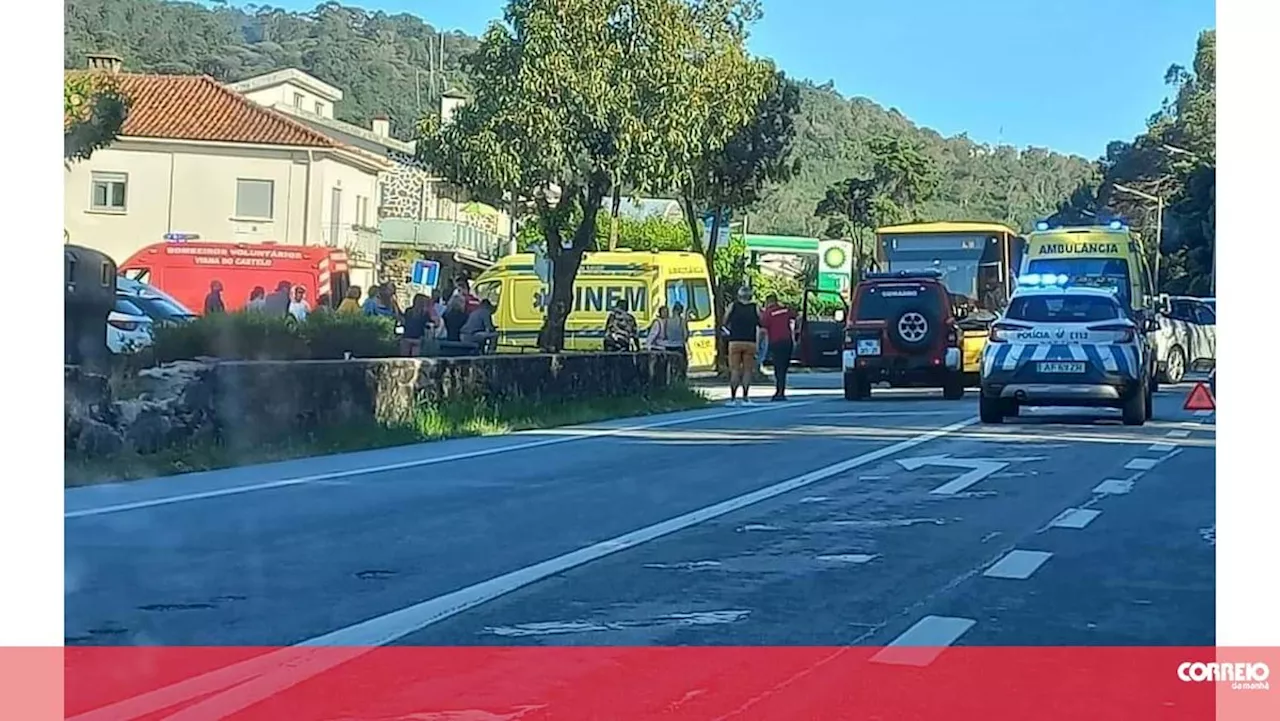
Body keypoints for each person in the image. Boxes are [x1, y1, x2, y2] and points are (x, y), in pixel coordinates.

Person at [723, 285, 763, 405]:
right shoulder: (755, 307)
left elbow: (725, 321)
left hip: (735, 341)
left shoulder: (733, 306)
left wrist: (729, 331)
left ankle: (733, 398)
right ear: (750, 296)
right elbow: (761, 323)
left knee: (735, 370)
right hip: (750, 342)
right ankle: (745, 397)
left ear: (738, 296)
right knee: (747, 371)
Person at [760, 293, 797, 401]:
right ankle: (781, 391)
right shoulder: (785, 310)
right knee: (784, 368)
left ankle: (779, 393)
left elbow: (763, 327)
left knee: (778, 368)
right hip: (787, 342)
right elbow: (796, 315)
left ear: (768, 302)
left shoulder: (768, 313)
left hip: (776, 342)